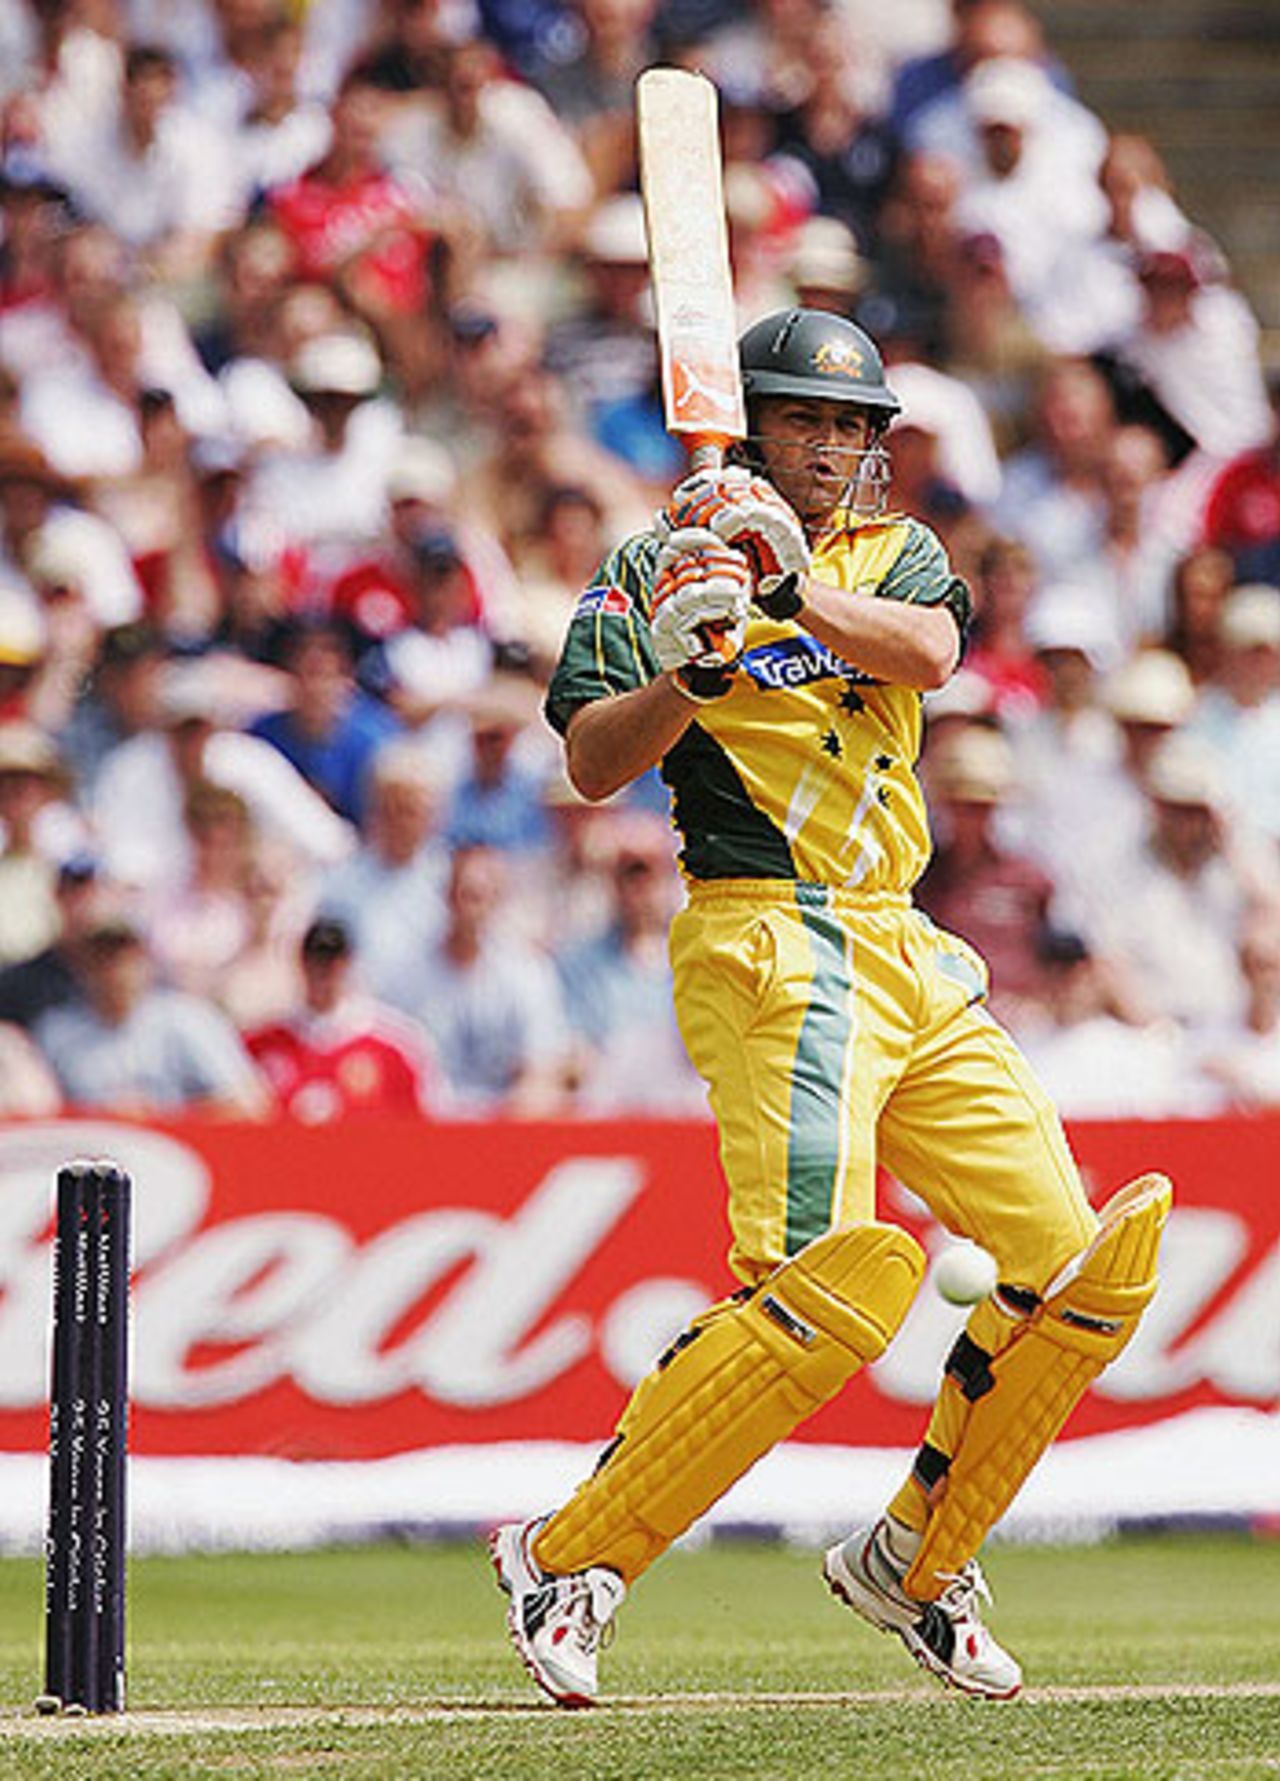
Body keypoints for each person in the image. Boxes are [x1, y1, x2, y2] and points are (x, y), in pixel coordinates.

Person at [489, 307, 1171, 1707]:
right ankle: (569, 1560)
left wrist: (789, 600)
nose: (841, 445)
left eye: (859, 425)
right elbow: (593, 764)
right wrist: (689, 664)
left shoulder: (895, 551)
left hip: (905, 946)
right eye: (811, 418)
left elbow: (928, 653)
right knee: (823, 1291)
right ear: (750, 422)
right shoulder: (644, 568)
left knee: (1083, 1267)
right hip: (768, 939)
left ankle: (917, 1558)